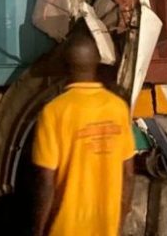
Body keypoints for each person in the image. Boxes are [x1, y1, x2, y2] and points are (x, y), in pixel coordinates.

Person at [31, 26, 136, 236]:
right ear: (96, 64)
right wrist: (118, 223)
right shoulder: (118, 108)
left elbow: (45, 183)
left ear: (66, 67)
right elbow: (128, 176)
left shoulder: (54, 112)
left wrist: (38, 230)